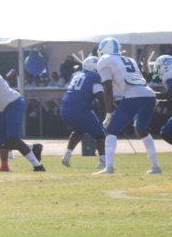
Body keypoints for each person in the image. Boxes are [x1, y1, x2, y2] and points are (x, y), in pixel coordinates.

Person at [94, 37, 159, 175]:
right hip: (149, 94)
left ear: (104, 49)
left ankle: (109, 167)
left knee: (111, 130)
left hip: (133, 96)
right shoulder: (130, 60)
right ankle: (155, 166)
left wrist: (109, 113)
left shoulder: (105, 60)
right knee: (142, 129)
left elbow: (107, 88)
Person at [59, 56, 106, 169]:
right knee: (100, 134)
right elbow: (103, 101)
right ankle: (103, 161)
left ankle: (66, 156)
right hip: (79, 109)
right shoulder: (94, 80)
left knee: (78, 131)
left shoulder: (77, 75)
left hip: (64, 109)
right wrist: (109, 112)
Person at [154, 55, 172, 145]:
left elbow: (170, 94)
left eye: (159, 67)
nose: (157, 70)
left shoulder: (169, 75)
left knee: (166, 133)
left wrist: (153, 94)